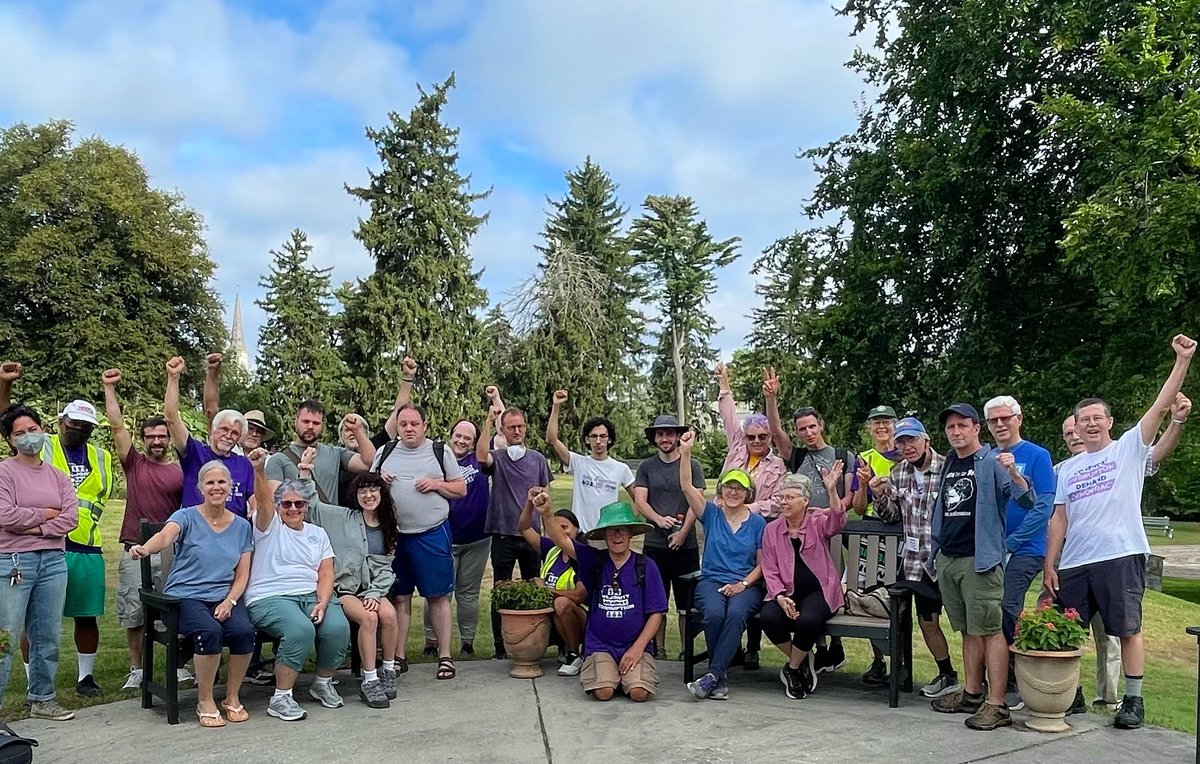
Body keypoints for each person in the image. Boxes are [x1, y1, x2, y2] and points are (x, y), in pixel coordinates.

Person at [1045, 334, 1196, 730]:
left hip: (1120, 554)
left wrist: (1182, 361)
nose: (1091, 423)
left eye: (1098, 417)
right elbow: (1059, 519)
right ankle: (1071, 694)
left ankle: (1133, 700)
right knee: (1066, 630)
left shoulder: (1128, 448)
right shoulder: (1068, 470)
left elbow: (1161, 405)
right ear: (1075, 427)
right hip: (1075, 562)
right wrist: (1049, 564)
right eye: (1084, 419)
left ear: (1109, 423)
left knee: (1127, 630)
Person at [927, 403, 1032, 731]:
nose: (956, 431)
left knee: (990, 630)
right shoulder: (950, 463)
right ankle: (972, 694)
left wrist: (1014, 472)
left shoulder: (992, 461)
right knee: (969, 630)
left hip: (980, 561)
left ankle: (997, 704)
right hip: (949, 558)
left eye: (962, 425)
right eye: (950, 427)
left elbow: (1026, 499)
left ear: (976, 429)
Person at [129, 460, 256, 727]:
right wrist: (146, 548)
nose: (216, 487)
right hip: (184, 597)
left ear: (230, 486)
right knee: (209, 631)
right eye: (210, 482)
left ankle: (232, 697)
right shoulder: (185, 516)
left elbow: (242, 574)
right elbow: (165, 537)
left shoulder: (242, 526)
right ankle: (205, 700)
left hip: (223, 596)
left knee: (244, 631)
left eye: (221, 482)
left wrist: (230, 601)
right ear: (200, 488)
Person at [102, 368, 193, 692]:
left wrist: (172, 379)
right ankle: (137, 669)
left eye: (162, 436)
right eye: (151, 436)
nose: (157, 441)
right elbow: (116, 425)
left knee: (176, 609)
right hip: (135, 549)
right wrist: (109, 389)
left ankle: (177, 666)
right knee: (135, 612)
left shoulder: (181, 471)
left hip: (172, 552)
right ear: (143, 440)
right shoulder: (134, 463)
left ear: (168, 439)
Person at [244, 457, 351, 722]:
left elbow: (326, 572)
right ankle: (281, 697)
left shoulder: (317, 533)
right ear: (277, 505)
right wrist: (259, 471)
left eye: (299, 504)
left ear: (306, 506)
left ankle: (323, 683)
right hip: (270, 596)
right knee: (300, 630)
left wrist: (323, 602)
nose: (293, 508)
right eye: (287, 504)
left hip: (311, 595)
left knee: (338, 627)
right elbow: (263, 500)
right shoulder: (268, 525)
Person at [763, 369, 855, 674]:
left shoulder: (842, 455)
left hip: (827, 530)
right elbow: (776, 432)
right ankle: (815, 656)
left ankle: (832, 650)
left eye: (812, 426)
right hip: (797, 530)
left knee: (824, 590)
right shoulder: (797, 455)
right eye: (802, 429)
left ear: (821, 425)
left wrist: (826, 511)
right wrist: (771, 398)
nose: (808, 433)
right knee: (801, 587)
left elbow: (849, 497)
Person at [25, 391, 114, 699]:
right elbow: (7, 422)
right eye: (74, 423)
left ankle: (85, 678)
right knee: (34, 618)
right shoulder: (43, 445)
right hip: (42, 542)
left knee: (86, 615)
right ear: (61, 421)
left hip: (86, 545)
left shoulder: (101, 456)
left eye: (86, 426)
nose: (79, 429)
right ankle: (33, 681)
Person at [537, 494, 667, 702]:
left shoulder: (646, 566)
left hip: (635, 645)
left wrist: (637, 649)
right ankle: (611, 675)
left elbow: (656, 613)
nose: (617, 536)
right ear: (604, 536)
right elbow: (562, 540)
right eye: (611, 531)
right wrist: (546, 513)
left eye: (622, 530)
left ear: (631, 533)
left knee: (639, 693)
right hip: (600, 645)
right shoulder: (594, 561)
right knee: (604, 692)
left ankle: (626, 676)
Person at [373, 403, 466, 679]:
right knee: (400, 597)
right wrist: (379, 480)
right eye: (403, 424)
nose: (409, 429)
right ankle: (398, 657)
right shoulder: (385, 451)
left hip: (432, 533)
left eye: (414, 424)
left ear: (424, 425)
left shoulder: (440, 451)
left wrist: (436, 484)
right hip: (395, 537)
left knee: (437, 596)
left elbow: (460, 489)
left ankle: (445, 656)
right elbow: (367, 486)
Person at [0, 402, 78, 721]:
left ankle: (42, 698)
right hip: (14, 562)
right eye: (20, 433)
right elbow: (5, 515)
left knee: (47, 634)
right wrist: (46, 514)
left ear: (43, 430)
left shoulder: (58, 476)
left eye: (32, 429)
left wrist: (35, 526)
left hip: (54, 562)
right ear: (10, 440)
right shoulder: (5, 472)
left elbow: (70, 518)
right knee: (5, 635)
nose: (28, 436)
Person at [873, 417, 961, 698]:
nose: (907, 446)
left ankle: (980, 681)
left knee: (967, 623)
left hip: (949, 558)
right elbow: (891, 516)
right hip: (915, 561)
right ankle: (947, 674)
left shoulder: (950, 467)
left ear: (926, 440)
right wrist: (879, 496)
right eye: (901, 442)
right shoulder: (898, 472)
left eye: (911, 439)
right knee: (927, 621)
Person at [677, 432, 767, 701]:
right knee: (714, 614)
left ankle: (713, 675)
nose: (733, 492)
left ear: (748, 493)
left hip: (746, 584)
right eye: (728, 487)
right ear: (721, 490)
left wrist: (742, 584)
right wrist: (686, 453)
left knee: (736, 614)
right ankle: (719, 677)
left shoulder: (758, 523)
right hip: (712, 581)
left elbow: (762, 565)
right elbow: (686, 486)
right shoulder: (711, 514)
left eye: (739, 488)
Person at [302, 462, 399, 708]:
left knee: (389, 615)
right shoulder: (342, 518)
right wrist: (304, 473)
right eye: (362, 491)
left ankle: (388, 670)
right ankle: (370, 679)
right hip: (344, 590)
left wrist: (375, 593)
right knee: (369, 618)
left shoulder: (388, 525)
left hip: (372, 588)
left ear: (382, 492)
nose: (368, 495)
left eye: (373, 490)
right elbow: (313, 506)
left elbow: (386, 567)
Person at [983, 395, 1055, 710]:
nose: (1000, 424)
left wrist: (1012, 543)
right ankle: (990, 678)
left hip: (1026, 548)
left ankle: (1013, 679)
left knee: (1007, 607)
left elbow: (1043, 507)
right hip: (991, 549)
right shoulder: (986, 457)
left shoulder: (1037, 455)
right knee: (987, 610)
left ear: (1019, 419)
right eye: (993, 420)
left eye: (1005, 418)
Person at [714, 363, 787, 670]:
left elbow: (777, 503)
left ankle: (753, 647)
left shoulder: (777, 465)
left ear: (769, 438)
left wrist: (748, 508)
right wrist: (724, 386)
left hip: (757, 531)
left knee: (753, 583)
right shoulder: (736, 451)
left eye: (762, 437)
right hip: (726, 527)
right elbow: (729, 417)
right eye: (752, 437)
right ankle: (730, 647)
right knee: (724, 580)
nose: (756, 441)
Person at [760, 470, 846, 699]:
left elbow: (838, 521)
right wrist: (780, 596)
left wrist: (831, 490)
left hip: (820, 590)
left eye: (789, 497)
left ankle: (793, 669)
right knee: (768, 617)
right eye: (781, 497)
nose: (783, 502)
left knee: (807, 620)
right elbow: (769, 568)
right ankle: (802, 659)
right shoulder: (771, 529)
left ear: (805, 501)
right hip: (785, 591)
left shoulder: (817, 521)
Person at [477, 402, 552, 659]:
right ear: (504, 431)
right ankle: (501, 648)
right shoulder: (497, 458)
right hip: (502, 534)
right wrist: (489, 421)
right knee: (500, 589)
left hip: (532, 536)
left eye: (520, 426)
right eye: (511, 427)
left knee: (536, 587)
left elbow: (546, 495)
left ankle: (535, 641)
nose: (517, 431)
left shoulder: (538, 459)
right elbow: (480, 457)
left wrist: (545, 517)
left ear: (525, 428)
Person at [630, 415, 706, 658]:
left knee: (686, 606)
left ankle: (686, 652)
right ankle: (658, 651)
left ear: (678, 437)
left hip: (686, 546)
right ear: (654, 438)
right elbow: (640, 501)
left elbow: (697, 501)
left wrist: (683, 533)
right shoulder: (646, 467)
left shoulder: (692, 464)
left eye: (670, 433)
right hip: (655, 544)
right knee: (655, 603)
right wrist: (658, 519)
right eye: (660, 434)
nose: (665, 438)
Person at [422, 419, 492, 658]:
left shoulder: (480, 460)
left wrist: (491, 413)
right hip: (443, 538)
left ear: (474, 443)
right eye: (458, 436)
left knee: (468, 593)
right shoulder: (437, 459)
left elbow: (500, 424)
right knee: (437, 593)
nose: (461, 441)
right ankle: (431, 642)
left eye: (467, 438)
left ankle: (467, 643)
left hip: (477, 540)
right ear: (451, 436)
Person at [164, 356, 255, 519]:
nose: (228, 436)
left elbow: (254, 497)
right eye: (224, 429)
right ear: (213, 430)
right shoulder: (195, 454)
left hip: (232, 530)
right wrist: (173, 377)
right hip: (196, 529)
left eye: (235, 433)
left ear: (239, 438)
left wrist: (256, 510)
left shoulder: (244, 464)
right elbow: (171, 418)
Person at [545, 389, 635, 534]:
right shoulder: (577, 462)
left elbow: (639, 498)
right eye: (594, 436)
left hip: (606, 534)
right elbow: (552, 440)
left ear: (609, 439)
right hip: (581, 534)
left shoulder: (621, 469)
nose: (598, 441)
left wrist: (630, 522)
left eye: (603, 436)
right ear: (587, 439)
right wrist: (556, 406)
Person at [518, 489, 587, 676]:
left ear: (577, 530)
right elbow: (524, 528)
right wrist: (529, 503)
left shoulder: (583, 555)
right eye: (555, 528)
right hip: (552, 616)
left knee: (561, 603)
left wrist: (546, 589)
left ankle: (574, 654)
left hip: (582, 619)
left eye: (565, 527)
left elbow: (579, 596)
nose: (560, 532)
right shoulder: (551, 549)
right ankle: (530, 653)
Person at [265, 400, 376, 506]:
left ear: (323, 425)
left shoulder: (335, 454)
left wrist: (357, 431)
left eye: (316, 423)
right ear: (295, 422)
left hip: (329, 519)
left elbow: (368, 463)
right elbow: (275, 501)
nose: (310, 427)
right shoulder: (278, 459)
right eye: (305, 421)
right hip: (294, 518)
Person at [200, 353, 274, 453]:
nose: (254, 434)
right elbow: (211, 409)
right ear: (240, 431)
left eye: (259, 432)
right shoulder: (225, 446)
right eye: (250, 429)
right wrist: (212, 372)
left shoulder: (268, 459)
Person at [852, 405, 898, 519]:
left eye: (886, 422)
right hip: (873, 521)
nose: (881, 426)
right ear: (870, 429)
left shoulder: (907, 455)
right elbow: (858, 510)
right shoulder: (863, 459)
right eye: (876, 423)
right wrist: (863, 485)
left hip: (901, 518)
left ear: (895, 426)